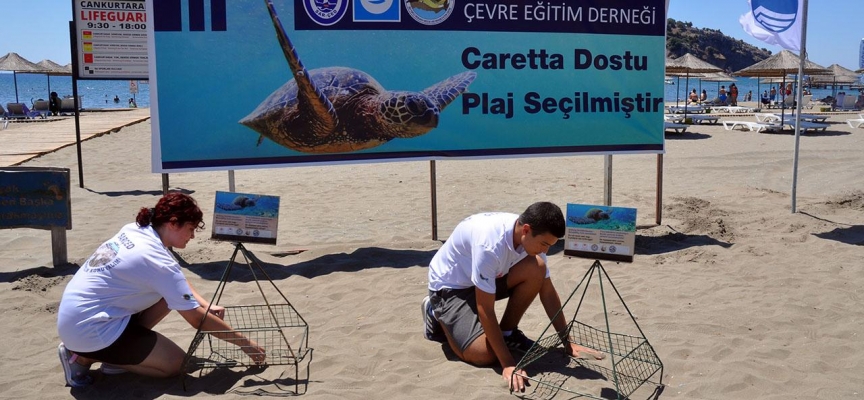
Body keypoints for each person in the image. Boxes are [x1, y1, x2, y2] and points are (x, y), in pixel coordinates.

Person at [56, 193, 266, 387]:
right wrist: (245, 343)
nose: (192, 236)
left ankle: (114, 357)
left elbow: (175, 281)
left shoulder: (136, 229)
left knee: (167, 296)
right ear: (173, 224)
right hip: (89, 331)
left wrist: (204, 303)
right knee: (175, 364)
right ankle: (83, 358)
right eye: (190, 229)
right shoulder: (157, 260)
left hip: (78, 316)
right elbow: (196, 320)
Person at [422, 202, 605, 393]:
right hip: (451, 288)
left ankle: (508, 333)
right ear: (526, 229)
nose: (546, 250)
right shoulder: (489, 245)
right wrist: (508, 364)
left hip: (485, 280)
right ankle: (435, 313)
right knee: (485, 355)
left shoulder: (531, 235)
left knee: (538, 268)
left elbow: (548, 293)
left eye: (550, 245)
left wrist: (567, 342)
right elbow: (485, 308)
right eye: (544, 244)